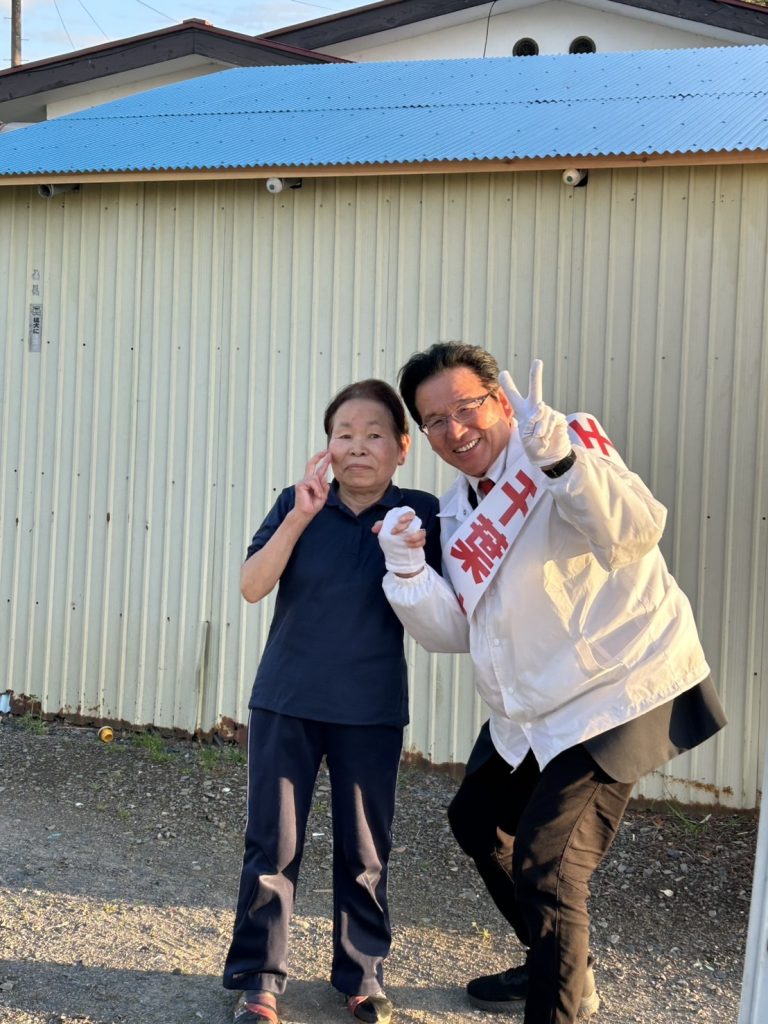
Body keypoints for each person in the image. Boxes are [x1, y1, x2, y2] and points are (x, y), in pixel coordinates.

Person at [375, 343, 726, 1024]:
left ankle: (557, 995)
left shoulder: (566, 442)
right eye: (435, 420)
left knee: (548, 863)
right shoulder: (456, 508)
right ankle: (559, 959)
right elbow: (457, 632)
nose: (455, 430)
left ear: (502, 401)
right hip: (533, 704)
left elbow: (636, 530)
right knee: (478, 821)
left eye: (467, 408)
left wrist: (561, 463)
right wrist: (409, 573)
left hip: (616, 687)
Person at [223, 379, 442, 1024]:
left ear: (402, 447)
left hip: (371, 708)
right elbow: (252, 586)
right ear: (327, 447)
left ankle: (363, 976)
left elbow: (447, 607)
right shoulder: (297, 503)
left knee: (366, 849)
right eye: (343, 434)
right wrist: (300, 515)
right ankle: (259, 981)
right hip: (287, 699)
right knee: (273, 844)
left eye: (374, 434)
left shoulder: (420, 513)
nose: (357, 447)